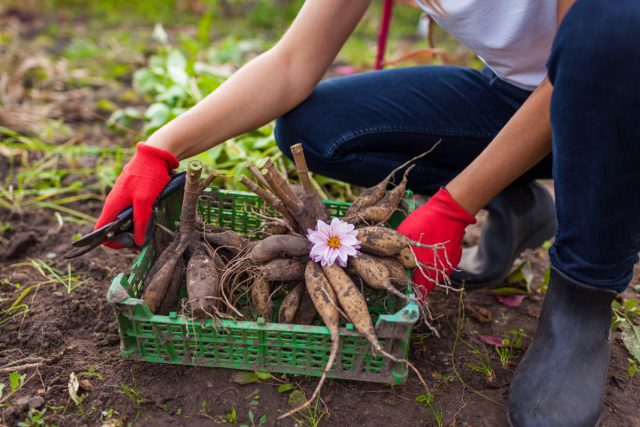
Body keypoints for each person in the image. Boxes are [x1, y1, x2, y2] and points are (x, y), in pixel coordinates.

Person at [95, 0, 640, 425]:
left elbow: (588, 65)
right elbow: (290, 64)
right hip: (509, 98)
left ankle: (581, 297)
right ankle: (516, 201)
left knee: (617, 26)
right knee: (319, 128)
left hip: (616, 93)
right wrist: (161, 148)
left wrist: (453, 205)